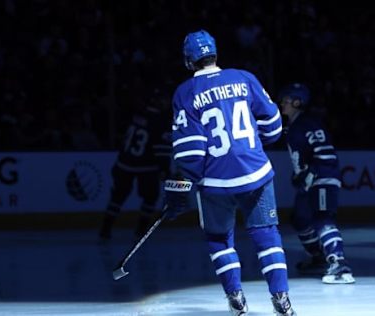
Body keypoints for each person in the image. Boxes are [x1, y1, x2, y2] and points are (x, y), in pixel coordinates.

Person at [164, 30, 296, 315]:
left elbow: (191, 153)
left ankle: (236, 298)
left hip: (215, 181)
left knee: (219, 239)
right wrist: (248, 145)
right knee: (267, 234)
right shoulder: (244, 77)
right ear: (215, 53)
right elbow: (274, 126)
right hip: (256, 172)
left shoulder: (186, 92)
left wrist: (185, 181)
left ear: (188, 60)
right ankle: (281, 300)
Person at [279, 83, 355, 284]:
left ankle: (339, 262)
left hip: (321, 178)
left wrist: (310, 174)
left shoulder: (307, 124)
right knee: (300, 219)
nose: (282, 103)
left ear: (297, 102)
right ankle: (319, 258)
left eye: (286, 99)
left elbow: (324, 153)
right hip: (311, 180)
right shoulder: (295, 126)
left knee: (322, 218)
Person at [98, 96, 171, 240]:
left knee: (117, 197)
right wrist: (165, 170)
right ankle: (141, 230)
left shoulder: (138, 115)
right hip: (146, 166)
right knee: (150, 197)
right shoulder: (160, 121)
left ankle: (105, 229)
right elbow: (161, 150)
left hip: (123, 163)